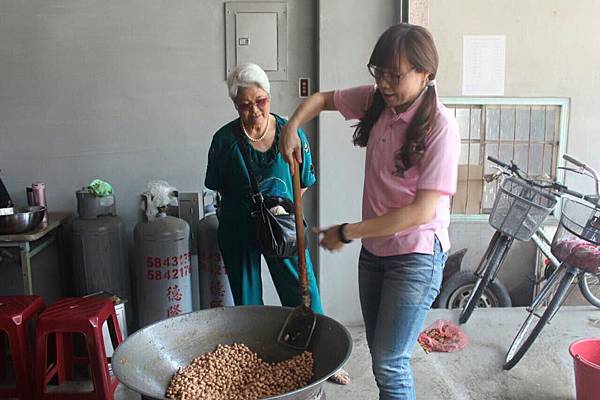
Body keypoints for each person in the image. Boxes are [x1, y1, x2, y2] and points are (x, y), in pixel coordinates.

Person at [279, 24, 460, 399]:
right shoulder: (378, 101)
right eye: (379, 72)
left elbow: (421, 211)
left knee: (391, 362)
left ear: (426, 73)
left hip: (415, 257)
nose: (385, 83)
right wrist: (292, 127)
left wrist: (348, 231)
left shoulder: (440, 127)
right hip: (376, 254)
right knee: (381, 356)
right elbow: (321, 99)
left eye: (396, 74)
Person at [204, 62, 350, 385]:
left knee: (304, 291)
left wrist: (277, 210)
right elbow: (216, 185)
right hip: (238, 230)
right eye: (245, 104)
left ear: (269, 97)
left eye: (261, 101)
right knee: (248, 300)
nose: (254, 110)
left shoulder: (290, 133)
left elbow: (304, 182)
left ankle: (324, 356)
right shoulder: (223, 142)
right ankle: (255, 363)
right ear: (235, 105)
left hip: (282, 227)